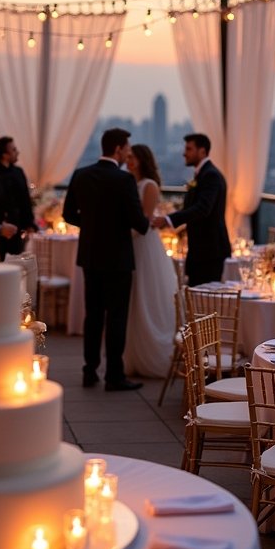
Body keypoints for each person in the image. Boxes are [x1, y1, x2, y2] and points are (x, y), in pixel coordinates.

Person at [63, 128, 149, 391]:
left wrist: (90, 225)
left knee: (93, 316)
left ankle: (89, 372)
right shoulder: (124, 180)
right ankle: (114, 375)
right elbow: (138, 223)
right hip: (118, 258)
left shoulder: (81, 174)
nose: (127, 153)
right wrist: (144, 223)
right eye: (126, 149)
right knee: (116, 316)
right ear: (118, 149)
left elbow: (68, 214)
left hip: (90, 255)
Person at [123, 144, 177, 378]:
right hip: (131, 243)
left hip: (144, 244)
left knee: (146, 295)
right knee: (133, 297)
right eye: (128, 156)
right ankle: (131, 355)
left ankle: (152, 353)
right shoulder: (128, 181)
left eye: (133, 157)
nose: (129, 160)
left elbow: (144, 220)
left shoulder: (149, 185)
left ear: (142, 159)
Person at [153, 132, 231, 286]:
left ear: (202, 151)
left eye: (189, 149)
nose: (184, 153)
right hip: (200, 250)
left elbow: (202, 208)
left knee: (205, 300)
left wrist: (169, 219)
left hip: (209, 251)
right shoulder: (202, 175)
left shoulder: (211, 176)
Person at [0, 136, 37, 257]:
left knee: (19, 257)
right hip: (3, 228)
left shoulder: (18, 171)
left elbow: (25, 199)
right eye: (14, 150)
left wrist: (30, 223)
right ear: (5, 155)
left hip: (19, 226)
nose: (17, 152)